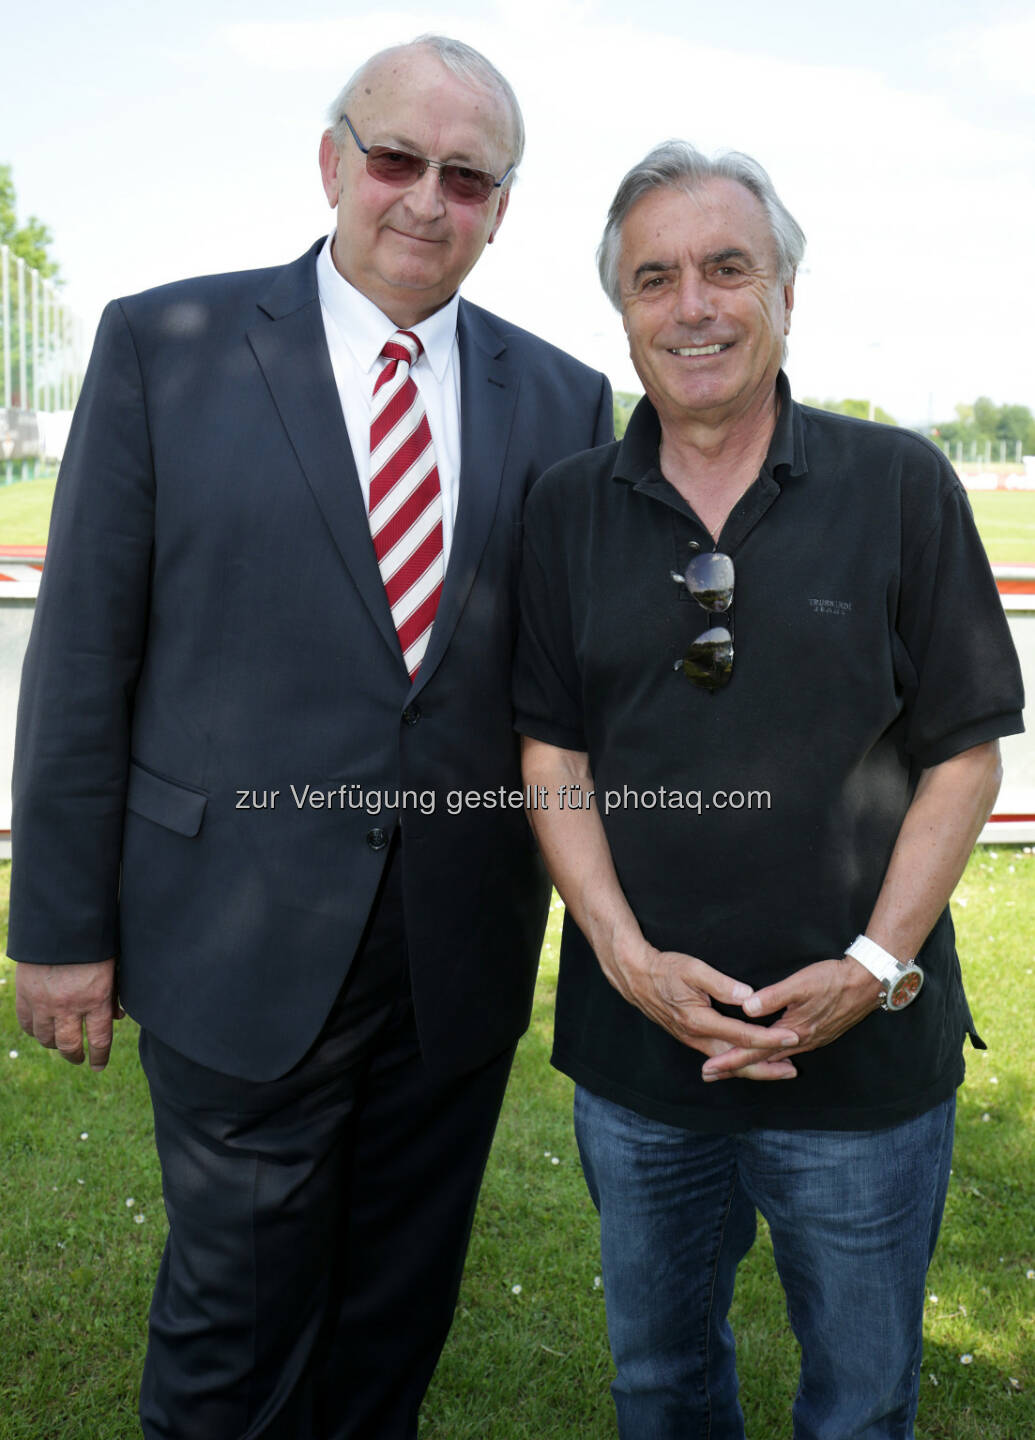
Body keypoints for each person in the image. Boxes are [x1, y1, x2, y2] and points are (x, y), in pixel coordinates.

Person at [10, 34, 612, 1440]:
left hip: (454, 955)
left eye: (467, 178)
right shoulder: (166, 344)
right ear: (333, 161)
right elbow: (86, 657)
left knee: (393, 1322)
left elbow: (565, 686)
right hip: (230, 939)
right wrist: (56, 928)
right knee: (234, 1328)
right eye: (398, 159)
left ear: (501, 208)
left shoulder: (564, 398)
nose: (424, 198)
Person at [514, 140, 1023, 1439]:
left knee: (859, 1409)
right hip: (638, 1069)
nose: (692, 306)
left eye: (726, 268)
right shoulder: (564, 510)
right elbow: (553, 753)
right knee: (661, 1388)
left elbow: (967, 753)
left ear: (787, 291)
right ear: (622, 311)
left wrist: (870, 962)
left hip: (863, 1072)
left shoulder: (902, 483)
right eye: (654, 278)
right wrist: (623, 958)